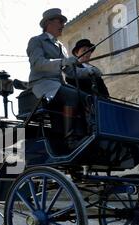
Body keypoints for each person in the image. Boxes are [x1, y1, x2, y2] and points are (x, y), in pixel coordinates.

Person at [27, 8, 103, 149]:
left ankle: (87, 134)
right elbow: (37, 64)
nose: (63, 25)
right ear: (48, 23)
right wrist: (62, 62)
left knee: (86, 97)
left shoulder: (61, 47)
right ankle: (70, 140)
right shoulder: (36, 41)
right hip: (41, 84)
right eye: (60, 21)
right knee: (73, 96)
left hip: (57, 85)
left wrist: (89, 71)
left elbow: (70, 73)